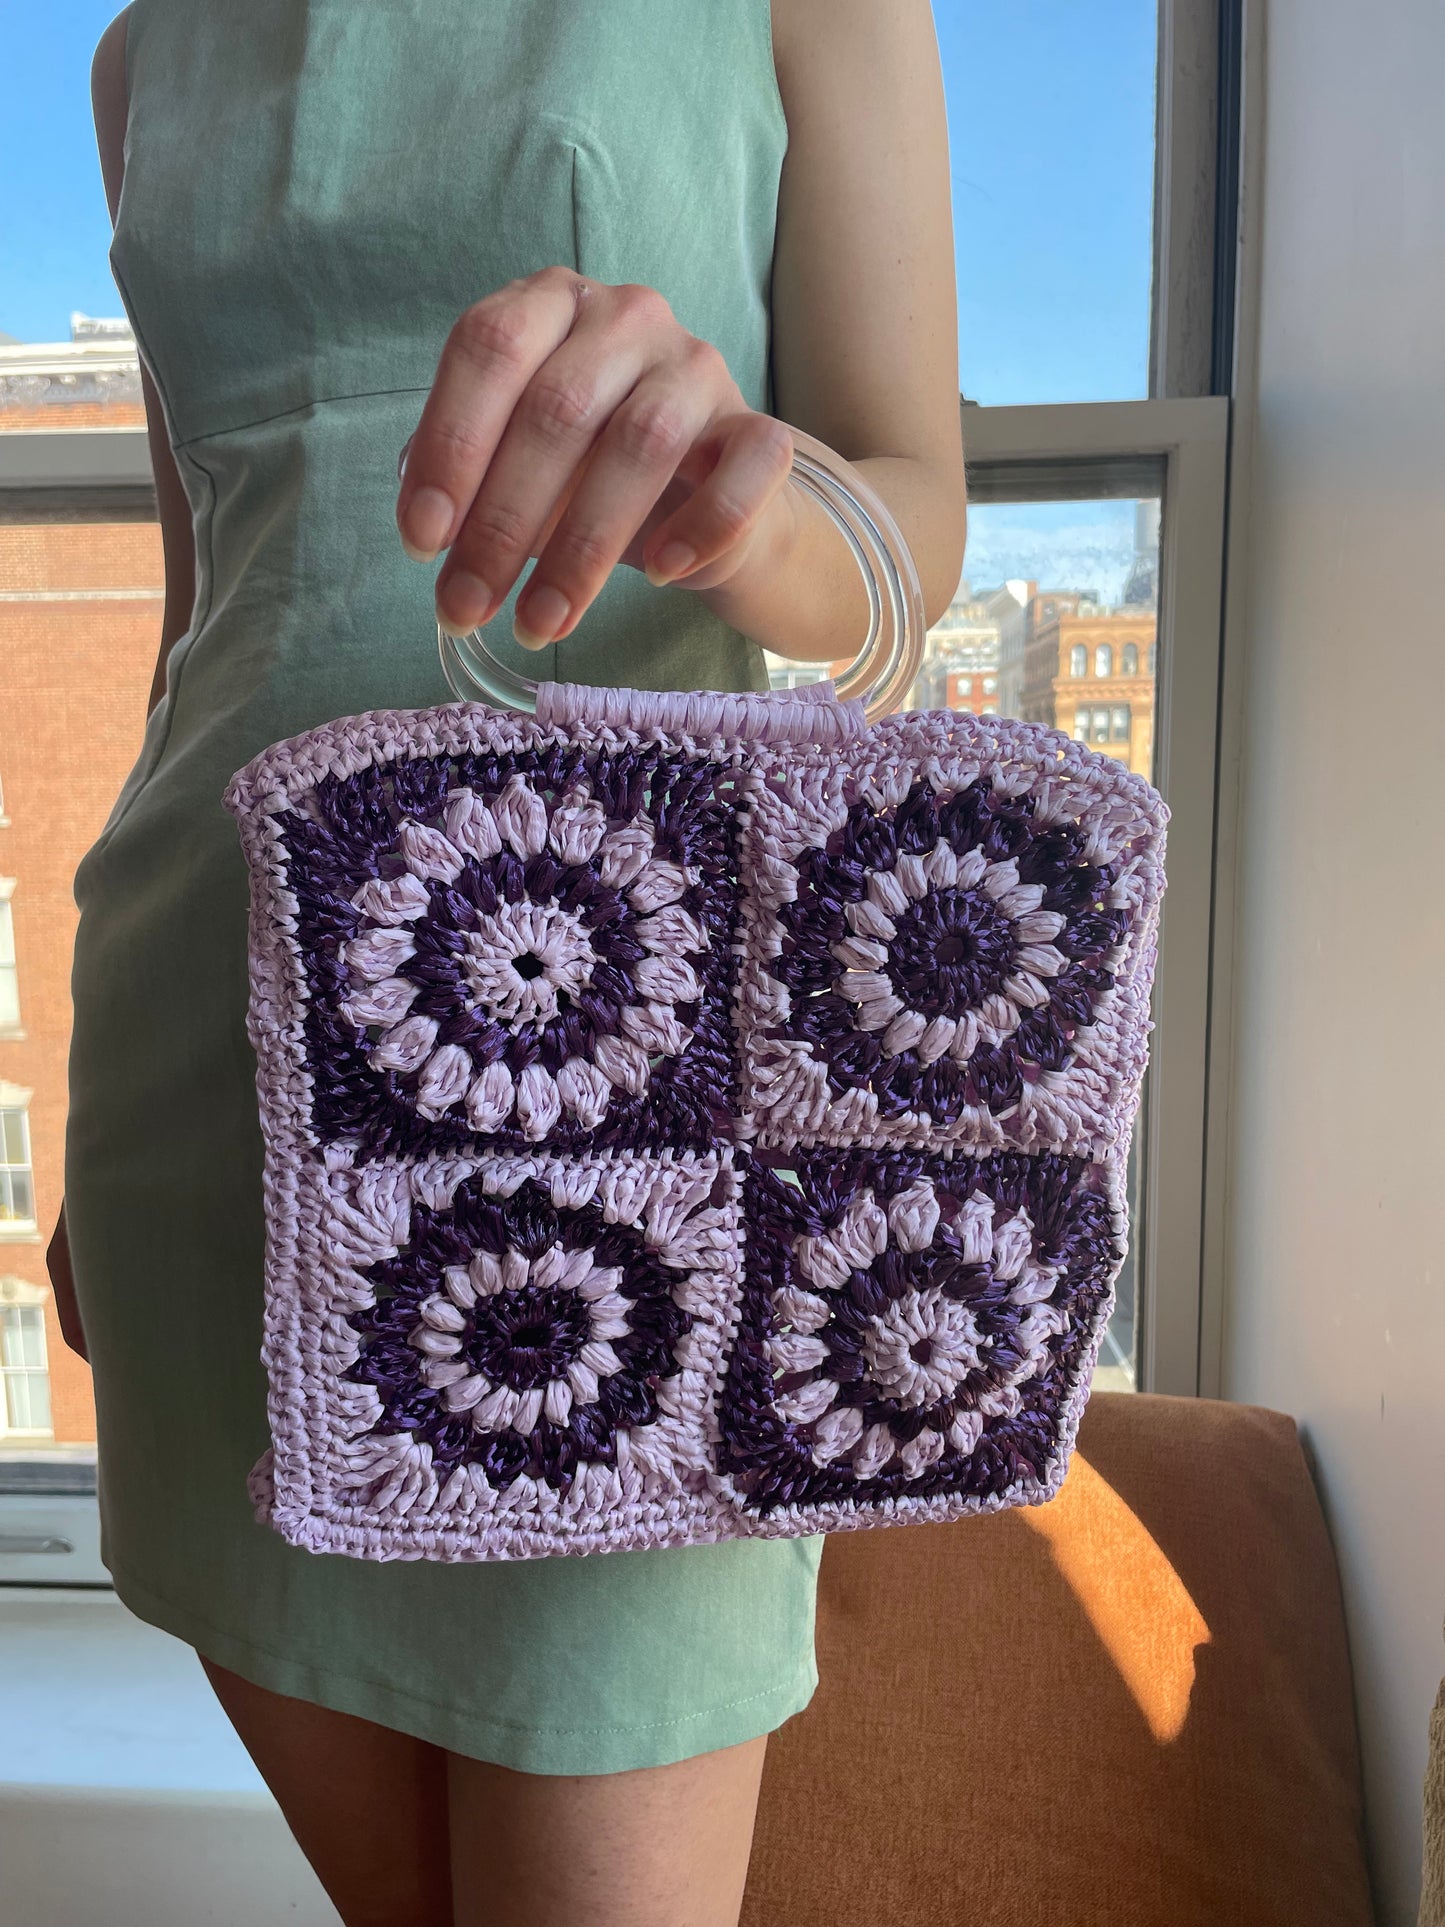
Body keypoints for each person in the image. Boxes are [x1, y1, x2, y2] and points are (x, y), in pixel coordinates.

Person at [51, 3, 965, 1922]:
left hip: (636, 1087)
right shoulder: (140, 56)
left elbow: (912, 527)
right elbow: (204, 610)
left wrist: (736, 498)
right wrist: (79, 1128)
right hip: (205, 1053)